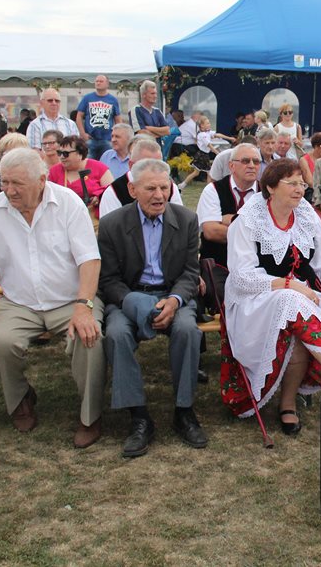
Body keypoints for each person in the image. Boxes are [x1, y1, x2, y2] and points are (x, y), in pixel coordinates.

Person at [0, 148, 105, 448]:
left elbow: (89, 260)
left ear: (42, 180)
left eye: (17, 183)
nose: (9, 190)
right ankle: (20, 399)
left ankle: (90, 416)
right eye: (4, 182)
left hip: (70, 299)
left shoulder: (68, 203)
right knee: (1, 342)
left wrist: (83, 307)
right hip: (19, 302)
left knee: (89, 338)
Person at [222, 159, 321, 432]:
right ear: (270, 187)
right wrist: (290, 285)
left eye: (302, 184)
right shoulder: (249, 220)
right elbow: (241, 277)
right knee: (291, 299)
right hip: (254, 299)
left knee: (296, 313)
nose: (299, 190)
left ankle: (288, 404)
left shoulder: (306, 214)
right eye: (292, 183)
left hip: (300, 299)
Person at [98, 159, 206, 454]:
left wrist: (173, 301)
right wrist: (135, 303)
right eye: (150, 188)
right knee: (117, 334)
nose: (159, 195)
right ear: (132, 189)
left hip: (172, 295)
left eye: (164, 187)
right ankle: (139, 417)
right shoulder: (112, 224)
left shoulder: (185, 219)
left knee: (187, 329)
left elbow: (190, 273)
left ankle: (184, 411)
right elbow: (108, 279)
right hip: (128, 297)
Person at [196, 142, 260, 269]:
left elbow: (274, 231)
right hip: (218, 265)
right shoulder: (213, 190)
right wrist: (255, 235)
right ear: (231, 166)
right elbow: (211, 232)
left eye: (256, 161)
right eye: (245, 161)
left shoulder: (266, 193)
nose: (252, 166)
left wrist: (230, 219)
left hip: (257, 267)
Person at [100, 137, 182, 218]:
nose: (153, 170)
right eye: (146, 165)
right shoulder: (114, 192)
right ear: (131, 165)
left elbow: (179, 220)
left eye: (158, 165)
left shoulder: (171, 188)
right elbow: (111, 227)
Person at [49, 136, 112, 218]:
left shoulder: (99, 167)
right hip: (63, 217)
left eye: (65, 154)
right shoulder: (54, 171)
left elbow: (111, 192)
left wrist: (98, 197)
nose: (62, 157)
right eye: (59, 153)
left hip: (92, 218)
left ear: (80, 154)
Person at [74, 74, 120, 160]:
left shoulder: (113, 100)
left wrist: (116, 136)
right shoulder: (87, 98)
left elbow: (118, 120)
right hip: (90, 139)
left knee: (107, 163)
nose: (98, 83)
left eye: (101, 81)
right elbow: (79, 116)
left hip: (107, 139)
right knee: (88, 164)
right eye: (96, 81)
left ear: (107, 84)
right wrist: (82, 133)